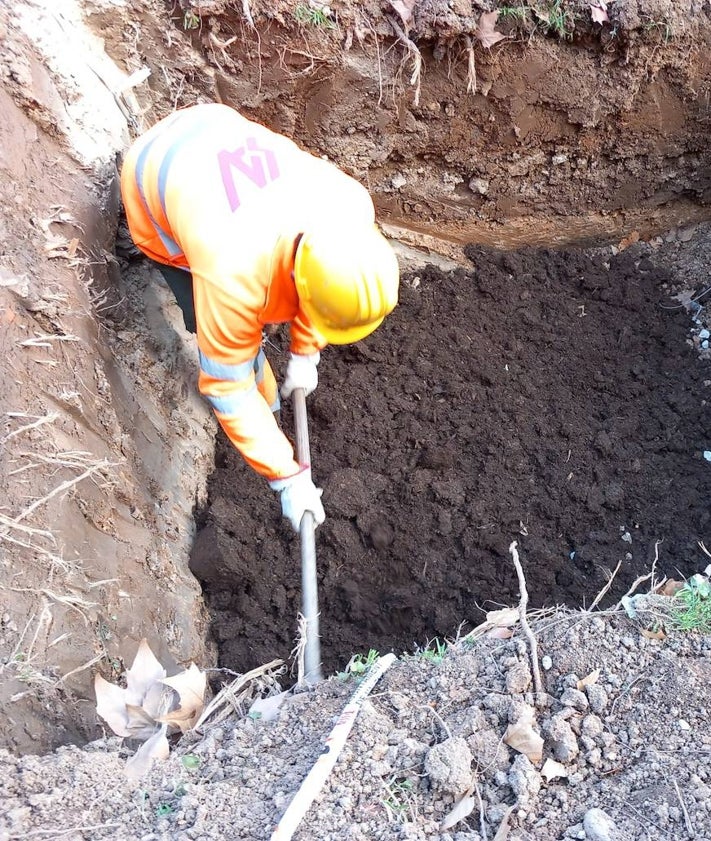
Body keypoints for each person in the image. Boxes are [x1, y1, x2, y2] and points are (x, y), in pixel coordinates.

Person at [120, 103, 399, 532]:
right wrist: (286, 477)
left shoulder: (350, 207)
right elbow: (226, 386)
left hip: (213, 127)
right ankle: (266, 406)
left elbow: (316, 290)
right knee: (210, 322)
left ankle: (268, 406)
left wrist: (305, 353)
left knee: (247, 333)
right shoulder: (230, 274)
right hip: (154, 171)